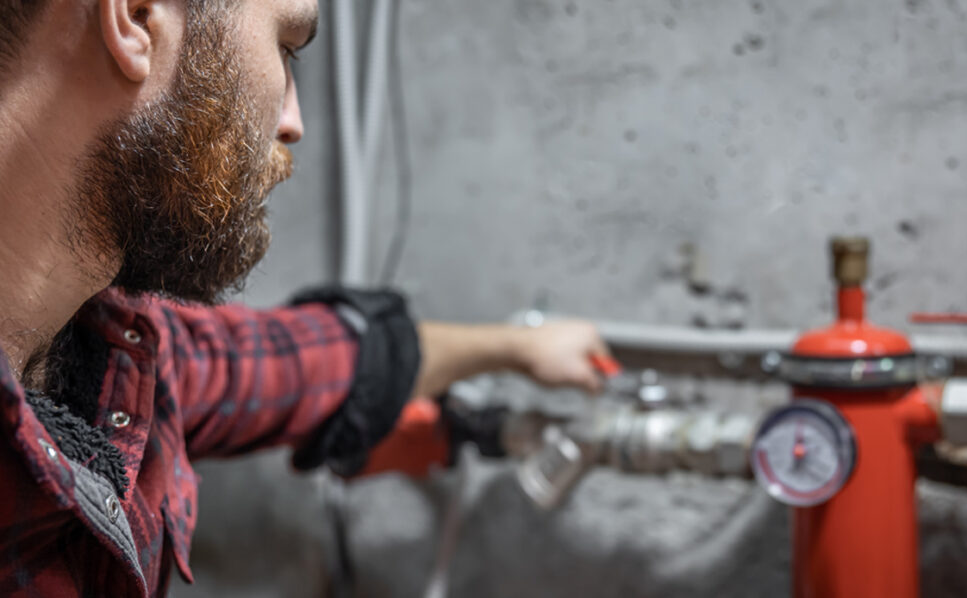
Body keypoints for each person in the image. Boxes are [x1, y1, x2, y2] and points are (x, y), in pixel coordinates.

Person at [0, 1, 612, 596]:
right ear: (134, 17)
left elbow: (291, 364)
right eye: (287, 45)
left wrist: (515, 347)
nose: (294, 120)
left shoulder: (108, 345)